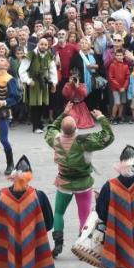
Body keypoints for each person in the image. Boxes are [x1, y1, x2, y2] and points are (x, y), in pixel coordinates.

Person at [44, 106, 114, 253]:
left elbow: (50, 129)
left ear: (62, 130)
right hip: (83, 183)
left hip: (64, 182)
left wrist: (63, 113)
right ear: (76, 128)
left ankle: (58, 243)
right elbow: (108, 136)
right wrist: (101, 117)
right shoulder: (84, 141)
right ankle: (82, 243)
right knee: (84, 214)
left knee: (58, 213)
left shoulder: (55, 139)